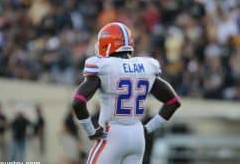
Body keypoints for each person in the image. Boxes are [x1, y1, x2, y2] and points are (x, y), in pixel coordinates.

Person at [72, 22, 181, 164]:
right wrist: (148, 128)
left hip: (112, 134)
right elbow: (173, 102)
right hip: (137, 136)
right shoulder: (146, 66)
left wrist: (91, 130)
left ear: (107, 44)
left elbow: (78, 101)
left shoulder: (105, 66)